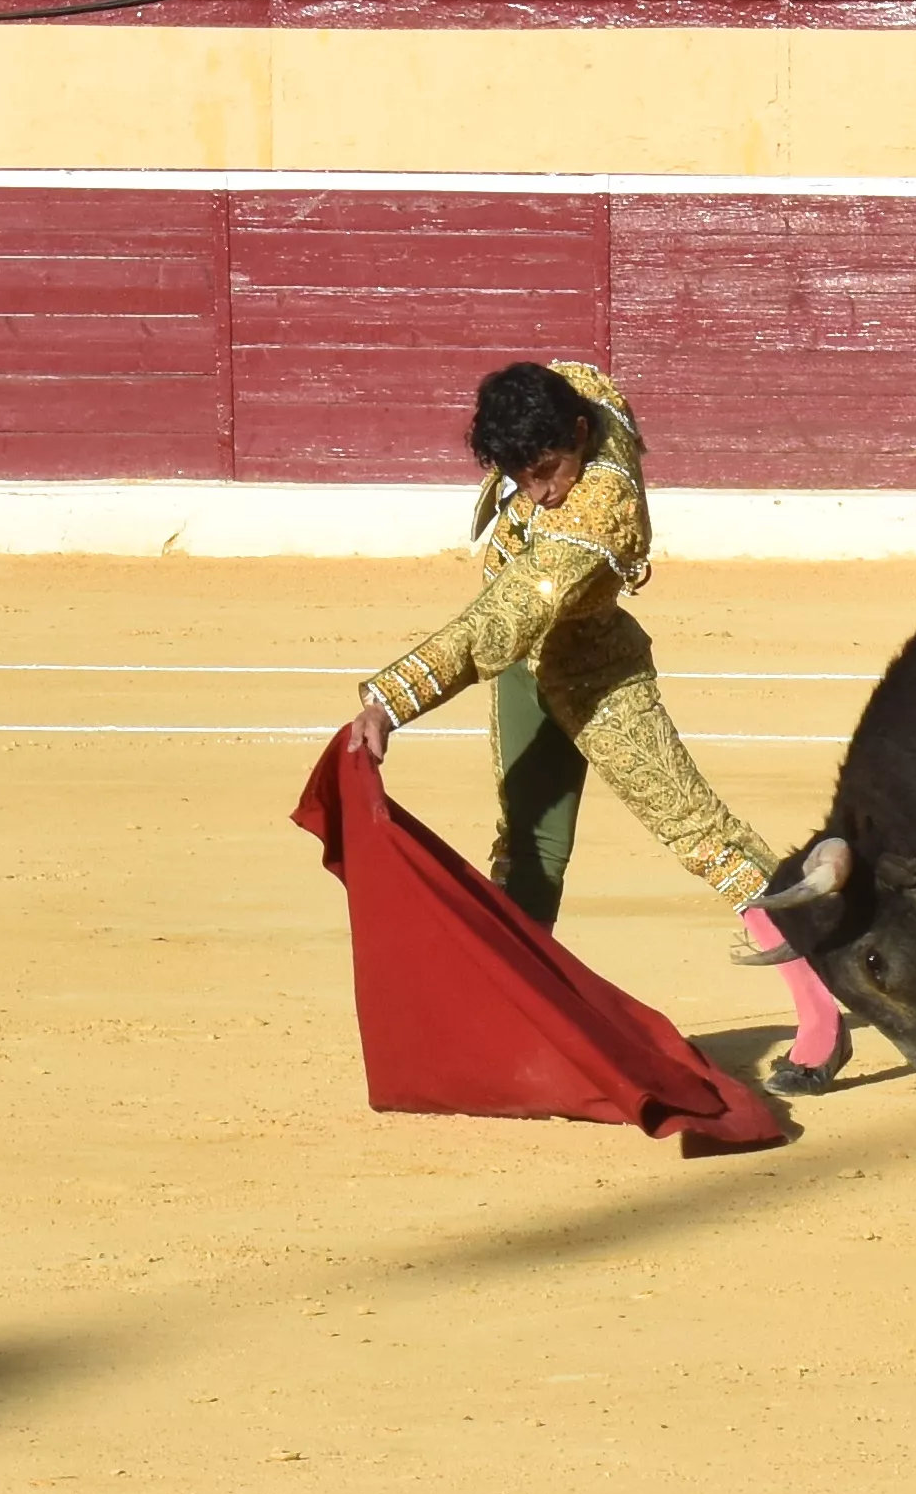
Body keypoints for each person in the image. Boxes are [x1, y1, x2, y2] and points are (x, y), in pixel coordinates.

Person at [342, 357, 843, 1086]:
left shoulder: (596, 508)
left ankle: (823, 1016)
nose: (543, 495)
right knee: (527, 850)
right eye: (525, 478)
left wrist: (394, 696)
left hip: (597, 675)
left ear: (580, 435)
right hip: (523, 672)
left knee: (703, 834)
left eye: (551, 471)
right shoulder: (581, 394)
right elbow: (576, 376)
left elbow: (508, 617)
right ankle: (515, 1020)